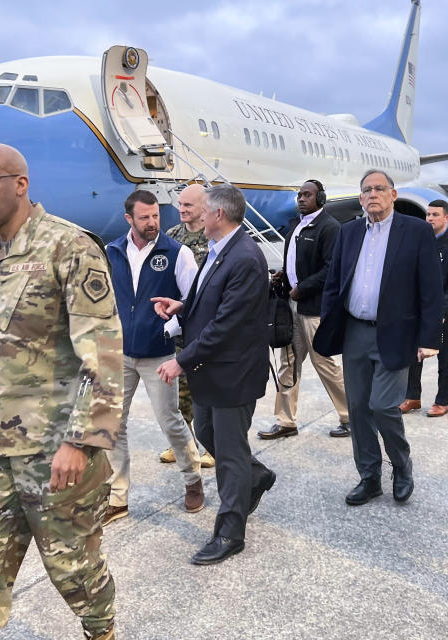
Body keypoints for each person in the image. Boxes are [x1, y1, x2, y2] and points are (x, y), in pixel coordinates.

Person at [0, 143, 122, 640]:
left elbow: (103, 353)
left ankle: (101, 629)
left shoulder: (70, 247)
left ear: (20, 185)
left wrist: (81, 442)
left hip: (55, 449)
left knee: (74, 570)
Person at [153, 184, 276, 565]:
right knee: (206, 434)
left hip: (232, 374)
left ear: (218, 215)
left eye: (202, 211)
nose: (196, 217)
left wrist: (181, 360)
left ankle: (229, 533)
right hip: (214, 372)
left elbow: (226, 324)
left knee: (229, 454)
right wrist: (182, 307)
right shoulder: (222, 250)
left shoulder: (244, 257)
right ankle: (255, 476)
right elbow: (212, 298)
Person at [313, 169, 443, 506]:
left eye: (379, 189)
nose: (373, 194)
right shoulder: (349, 231)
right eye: (367, 190)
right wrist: (331, 320)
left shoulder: (415, 231)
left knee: (383, 406)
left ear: (393, 194)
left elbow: (431, 288)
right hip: (355, 331)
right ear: (360, 198)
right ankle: (369, 477)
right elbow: (335, 281)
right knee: (357, 409)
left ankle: (401, 465)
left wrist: (429, 337)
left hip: (396, 333)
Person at [104, 189, 203, 525]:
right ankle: (118, 495)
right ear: (128, 218)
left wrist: (171, 330)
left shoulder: (178, 253)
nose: (151, 223)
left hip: (158, 355)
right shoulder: (112, 251)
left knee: (170, 420)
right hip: (120, 355)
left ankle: (193, 480)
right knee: (112, 424)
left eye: (156, 216)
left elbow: (196, 303)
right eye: (144, 217)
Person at [258, 179, 350, 439]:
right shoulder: (295, 227)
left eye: (307, 195)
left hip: (314, 309)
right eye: (299, 195)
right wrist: (283, 278)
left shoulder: (329, 228)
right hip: (291, 307)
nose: (301, 199)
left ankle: (351, 416)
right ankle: (286, 422)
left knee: (325, 365)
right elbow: (296, 263)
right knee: (289, 364)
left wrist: (303, 287)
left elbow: (332, 268)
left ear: (320, 198)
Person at [159, 183, 215, 468]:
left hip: (205, 326)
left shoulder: (213, 237)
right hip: (180, 325)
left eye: (188, 205)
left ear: (204, 207)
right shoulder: (172, 237)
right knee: (180, 392)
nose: (181, 209)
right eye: (180, 204)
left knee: (206, 390)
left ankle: (213, 447)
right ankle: (183, 445)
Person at [401, 199, 448, 417]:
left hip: (445, 315)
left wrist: (441, 313)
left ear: (447, 218)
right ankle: (412, 396)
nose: (430, 218)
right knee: (413, 356)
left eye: (435, 215)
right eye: (428, 215)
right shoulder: (420, 244)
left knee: (445, 358)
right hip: (418, 311)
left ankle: (443, 400)